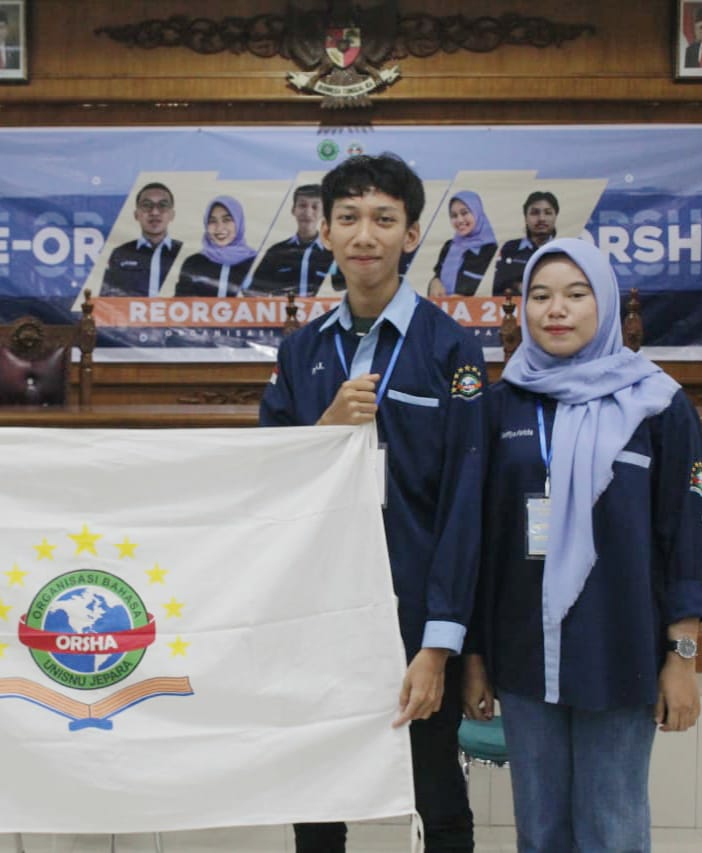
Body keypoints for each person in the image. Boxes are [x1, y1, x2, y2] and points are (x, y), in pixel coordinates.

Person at [260, 154, 484, 852]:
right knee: (319, 797)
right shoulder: (300, 353)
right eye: (348, 218)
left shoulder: (452, 349)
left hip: (413, 609)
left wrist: (439, 644)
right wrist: (323, 431)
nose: (365, 234)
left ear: (411, 235)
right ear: (324, 231)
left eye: (383, 219)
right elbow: (264, 480)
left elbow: (464, 502)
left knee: (435, 791)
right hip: (320, 607)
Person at [465, 238, 702, 852]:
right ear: (522, 309)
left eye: (577, 295)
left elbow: (686, 535)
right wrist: (474, 657)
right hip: (525, 654)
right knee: (541, 829)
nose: (557, 310)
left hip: (621, 648)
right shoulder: (501, 407)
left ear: (602, 305)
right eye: (541, 296)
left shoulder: (659, 405)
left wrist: (681, 658)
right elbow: (479, 541)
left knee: (613, 825)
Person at [246, 184, 342, 296]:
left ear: (324, 212)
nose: (308, 212)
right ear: (293, 210)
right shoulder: (276, 252)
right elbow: (253, 292)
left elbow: (343, 290)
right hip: (284, 312)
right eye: (302, 205)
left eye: (315, 207)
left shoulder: (334, 252)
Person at [101, 182, 183, 297]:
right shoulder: (120, 254)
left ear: (172, 214)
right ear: (136, 214)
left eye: (162, 205)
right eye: (147, 205)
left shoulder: (185, 253)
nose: (154, 212)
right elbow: (108, 302)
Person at [175, 196, 257, 297]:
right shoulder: (194, 263)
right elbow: (180, 306)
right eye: (212, 221)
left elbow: (266, 305)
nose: (219, 227)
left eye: (227, 219)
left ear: (239, 222)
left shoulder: (255, 262)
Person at [428, 190, 497, 297]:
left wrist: (460, 298)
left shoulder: (491, 249)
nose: (459, 220)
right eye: (454, 215)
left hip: (476, 310)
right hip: (444, 308)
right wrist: (435, 282)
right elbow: (438, 275)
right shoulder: (449, 246)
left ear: (477, 212)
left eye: (465, 213)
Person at [492, 191, 559, 296]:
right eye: (535, 213)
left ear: (556, 216)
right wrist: (518, 286)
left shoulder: (561, 250)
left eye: (548, 213)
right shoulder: (510, 248)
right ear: (525, 217)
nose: (541, 218)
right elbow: (499, 285)